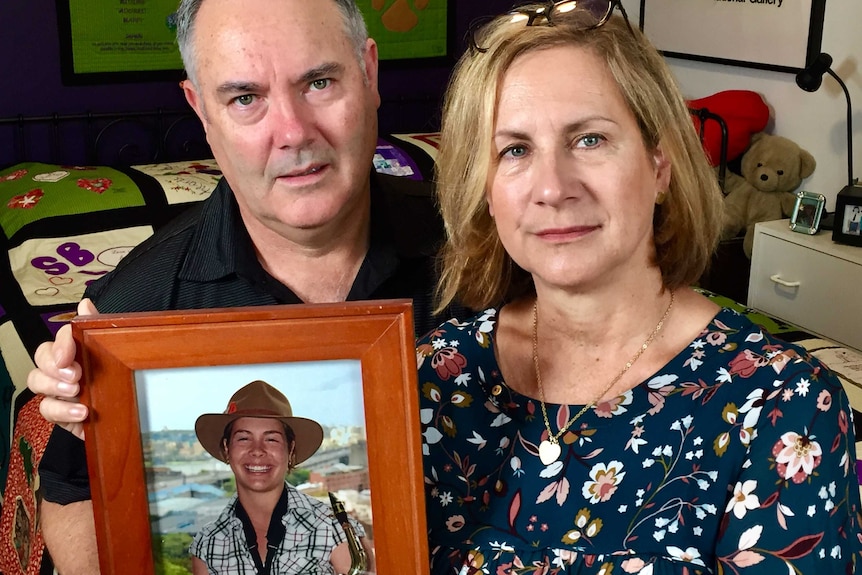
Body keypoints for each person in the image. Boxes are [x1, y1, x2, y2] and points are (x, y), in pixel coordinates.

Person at [416, 2, 862, 573]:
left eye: (589, 140)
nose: (552, 188)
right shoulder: (432, 378)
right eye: (515, 150)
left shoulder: (784, 407)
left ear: (660, 164)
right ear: (484, 188)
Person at [27, 0, 462, 572]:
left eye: (320, 82)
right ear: (202, 111)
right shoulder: (133, 311)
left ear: (369, 74)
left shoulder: (484, 256)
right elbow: (69, 490)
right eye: (245, 98)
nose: (293, 132)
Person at [190, 380, 373, 574]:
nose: (257, 450)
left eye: (271, 439)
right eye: (244, 438)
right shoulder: (207, 544)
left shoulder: (336, 529)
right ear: (227, 449)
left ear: (290, 449)